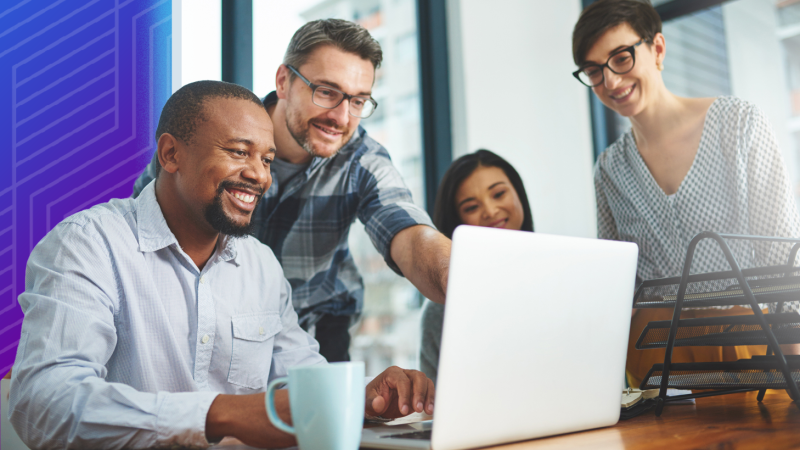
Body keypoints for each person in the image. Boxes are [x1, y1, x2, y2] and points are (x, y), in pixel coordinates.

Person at [9, 81, 435, 450]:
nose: (259, 176)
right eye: (238, 151)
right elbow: (43, 403)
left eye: (266, 160)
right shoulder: (87, 243)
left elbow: (300, 386)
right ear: (171, 154)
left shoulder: (260, 265)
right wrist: (222, 413)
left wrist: (365, 399)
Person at [133, 19, 451, 363]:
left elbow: (408, 229)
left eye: (358, 101)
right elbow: (145, 227)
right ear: (284, 81)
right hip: (213, 320)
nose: (342, 118)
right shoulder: (217, 136)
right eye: (327, 92)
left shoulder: (362, 161)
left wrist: (454, 274)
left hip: (317, 329)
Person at [572, 0, 800, 387]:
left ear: (657, 49)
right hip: (654, 359)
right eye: (594, 71)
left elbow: (784, 256)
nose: (610, 82)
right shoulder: (609, 169)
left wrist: (794, 364)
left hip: (750, 344)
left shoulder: (739, 124)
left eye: (621, 58)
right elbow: (616, 288)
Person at [420, 149, 534, 384]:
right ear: (457, 221)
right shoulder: (441, 307)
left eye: (499, 194)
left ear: (518, 193)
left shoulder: (559, 277)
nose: (490, 211)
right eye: (471, 207)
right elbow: (434, 404)